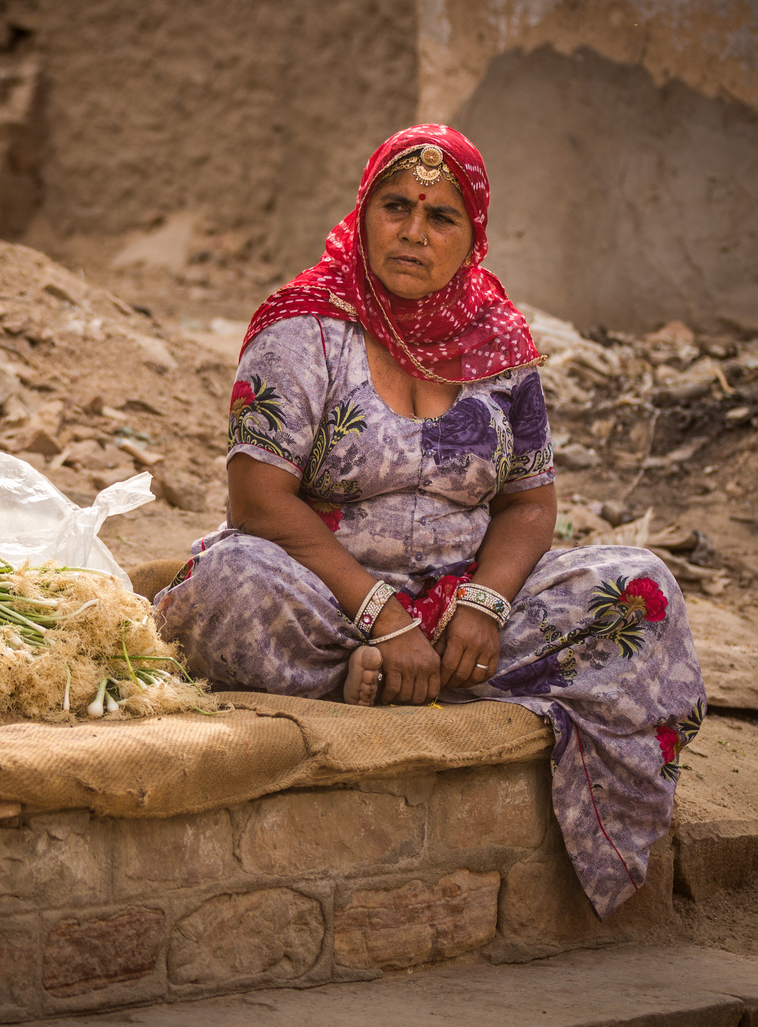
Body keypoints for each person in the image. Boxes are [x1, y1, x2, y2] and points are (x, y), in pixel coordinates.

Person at [152, 124, 705, 919]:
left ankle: (411, 680)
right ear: (365, 210)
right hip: (325, 603)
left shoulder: (502, 347)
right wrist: (380, 617)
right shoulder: (303, 329)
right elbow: (256, 500)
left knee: (639, 588)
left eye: (441, 216)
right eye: (397, 205)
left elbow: (529, 502)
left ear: (471, 237)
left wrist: (484, 604)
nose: (414, 232)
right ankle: (365, 675)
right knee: (226, 581)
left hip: (461, 617)